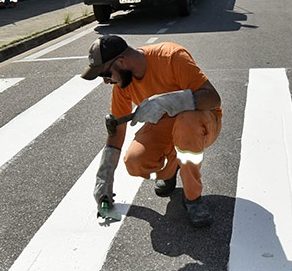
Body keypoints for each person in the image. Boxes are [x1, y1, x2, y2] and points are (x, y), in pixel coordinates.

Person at [81, 34, 222, 228]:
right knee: (135, 160)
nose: (106, 81)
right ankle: (172, 169)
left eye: (106, 74)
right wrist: (103, 180)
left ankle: (193, 199)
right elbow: (116, 130)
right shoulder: (122, 84)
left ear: (121, 61)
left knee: (186, 123)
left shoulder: (171, 56)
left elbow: (213, 98)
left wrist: (168, 101)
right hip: (166, 126)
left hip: (201, 121)